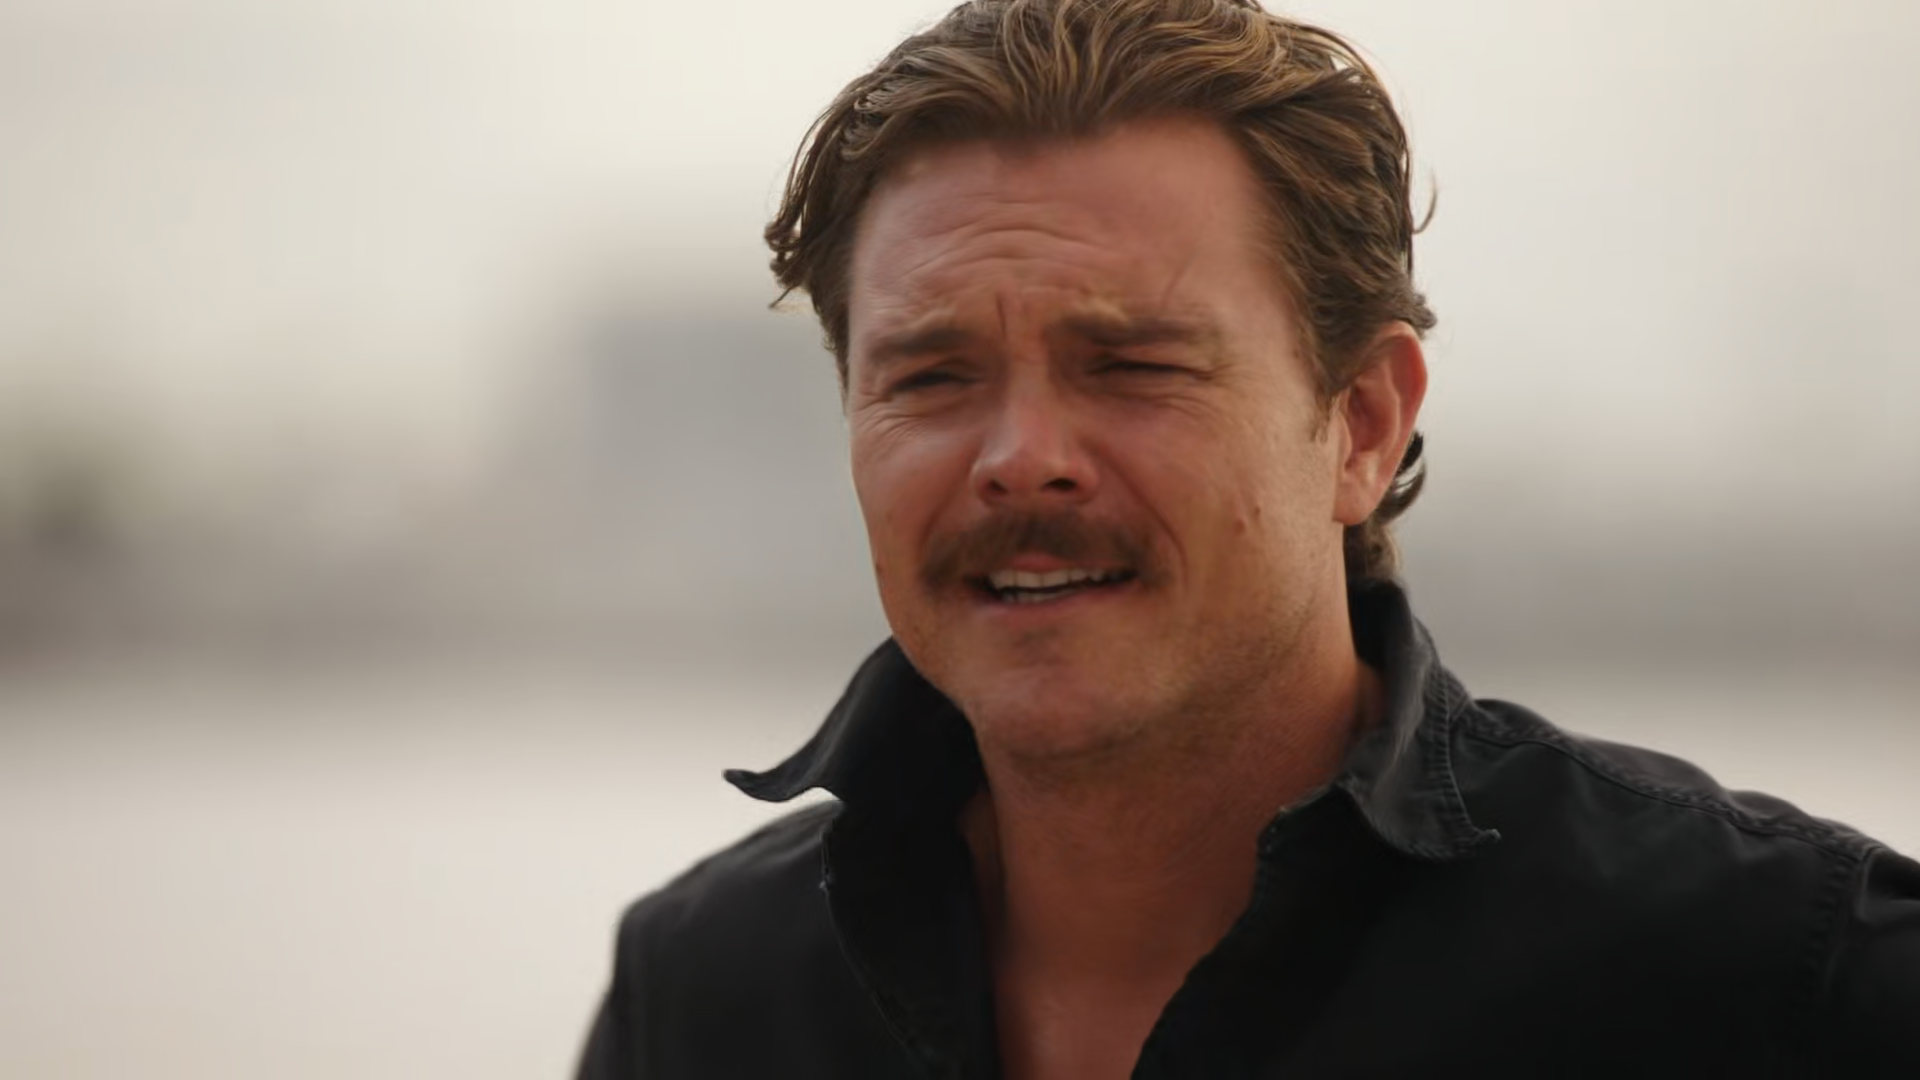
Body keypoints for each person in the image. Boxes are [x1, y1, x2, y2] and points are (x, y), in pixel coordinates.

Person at [576, 1, 1918, 1075]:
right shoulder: (703, 995)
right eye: (931, 377)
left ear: (1363, 424)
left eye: (1131, 363)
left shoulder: (1782, 984)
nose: (1020, 456)